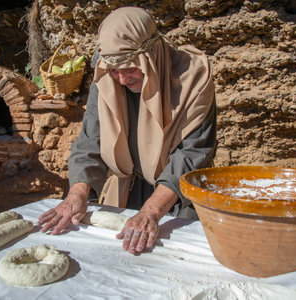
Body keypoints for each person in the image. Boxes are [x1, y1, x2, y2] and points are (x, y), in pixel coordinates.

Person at [38, 7, 217, 255]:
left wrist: (151, 211)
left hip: (175, 197)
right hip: (126, 191)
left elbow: (191, 154)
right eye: (114, 70)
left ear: (151, 55)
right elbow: (91, 139)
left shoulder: (192, 78)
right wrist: (76, 193)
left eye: (130, 68)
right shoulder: (107, 79)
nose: (121, 79)